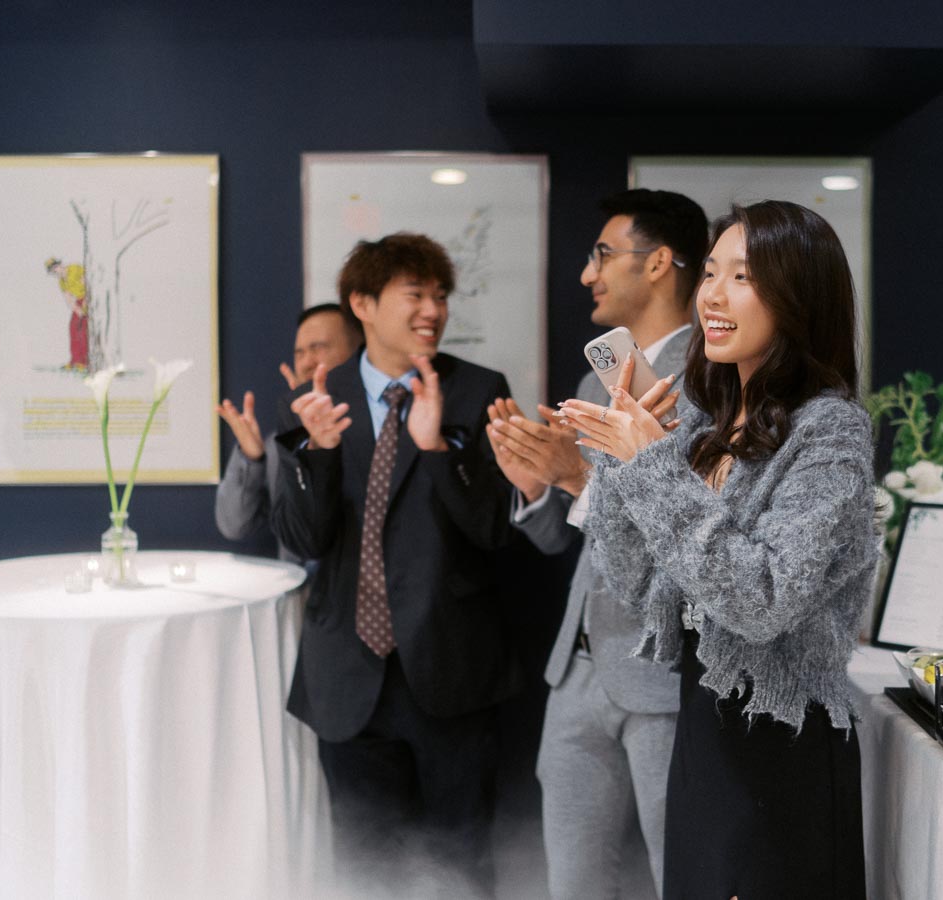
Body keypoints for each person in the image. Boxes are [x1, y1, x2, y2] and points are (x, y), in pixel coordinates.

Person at [559, 201, 877, 898]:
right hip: (705, 734)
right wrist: (619, 461)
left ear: (797, 296)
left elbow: (762, 602)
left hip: (783, 746)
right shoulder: (708, 422)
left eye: (743, 276)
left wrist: (655, 470)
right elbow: (647, 590)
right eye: (710, 272)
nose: (713, 294)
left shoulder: (830, 431)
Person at [271, 233, 519, 897]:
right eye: (415, 295)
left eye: (440, 296)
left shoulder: (479, 390)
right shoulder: (322, 395)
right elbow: (303, 539)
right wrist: (317, 454)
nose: (432, 311)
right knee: (363, 871)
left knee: (463, 868)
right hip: (347, 679)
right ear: (364, 303)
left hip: (452, 674)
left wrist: (437, 449)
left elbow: (494, 528)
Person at [485, 189, 708, 898]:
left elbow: (697, 537)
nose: (588, 274)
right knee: (573, 885)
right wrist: (535, 487)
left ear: (660, 264)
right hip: (577, 671)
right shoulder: (594, 376)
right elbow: (568, 542)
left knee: (685, 878)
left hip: (666, 675)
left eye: (603, 255)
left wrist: (579, 476)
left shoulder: (718, 382)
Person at [214, 303, 361, 564]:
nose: (306, 362)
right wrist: (252, 458)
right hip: (300, 598)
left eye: (318, 348)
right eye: (300, 352)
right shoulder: (282, 442)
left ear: (357, 351)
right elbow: (233, 525)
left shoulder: (377, 435)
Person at [45, 257, 89, 371]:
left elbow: (88, 282)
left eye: (56, 267)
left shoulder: (74, 268)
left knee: (83, 331)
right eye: (52, 271)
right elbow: (68, 298)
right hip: (79, 303)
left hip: (88, 298)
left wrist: (86, 301)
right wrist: (78, 310)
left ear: (60, 265)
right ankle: (75, 360)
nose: (56, 271)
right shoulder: (62, 282)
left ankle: (83, 362)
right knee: (73, 328)